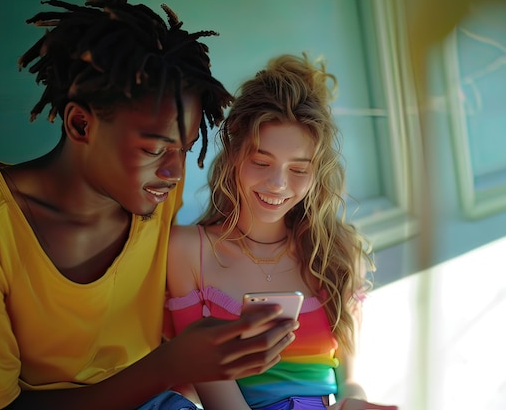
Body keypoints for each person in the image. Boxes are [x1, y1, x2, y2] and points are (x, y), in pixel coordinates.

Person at [0, 0, 299, 410]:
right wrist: (168, 366)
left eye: (185, 149)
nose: (175, 173)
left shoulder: (157, 191)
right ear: (81, 124)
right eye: (154, 150)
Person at [165, 54, 398, 410]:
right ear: (234, 155)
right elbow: (215, 397)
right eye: (261, 162)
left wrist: (353, 403)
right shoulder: (186, 252)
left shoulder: (338, 253)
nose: (278, 185)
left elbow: (349, 380)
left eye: (299, 170)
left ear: (317, 172)